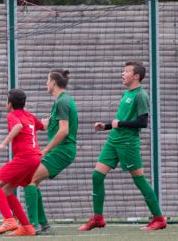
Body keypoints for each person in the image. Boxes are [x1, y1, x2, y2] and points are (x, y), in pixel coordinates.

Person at [78, 61, 167, 232]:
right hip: (113, 141)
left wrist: (120, 123)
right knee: (97, 176)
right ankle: (98, 218)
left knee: (139, 180)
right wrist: (106, 126)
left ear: (136, 76)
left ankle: (159, 219)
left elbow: (142, 122)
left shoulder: (141, 95)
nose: (122, 73)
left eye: (126, 71)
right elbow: (120, 121)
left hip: (128, 143)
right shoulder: (126, 94)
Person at [24, 68, 78, 235]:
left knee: (29, 180)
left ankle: (32, 224)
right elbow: (58, 126)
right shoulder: (63, 101)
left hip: (62, 150)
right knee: (34, 182)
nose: (46, 84)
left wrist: (46, 150)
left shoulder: (62, 102)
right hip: (63, 150)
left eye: (47, 80)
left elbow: (64, 131)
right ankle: (42, 222)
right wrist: (46, 124)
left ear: (54, 83)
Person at [0, 88, 44, 236]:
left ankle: (9, 219)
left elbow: (18, 126)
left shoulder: (13, 115)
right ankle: (27, 226)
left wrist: (4, 144)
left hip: (25, 158)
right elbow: (43, 126)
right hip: (35, 159)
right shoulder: (29, 115)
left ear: (10, 103)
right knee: (6, 191)